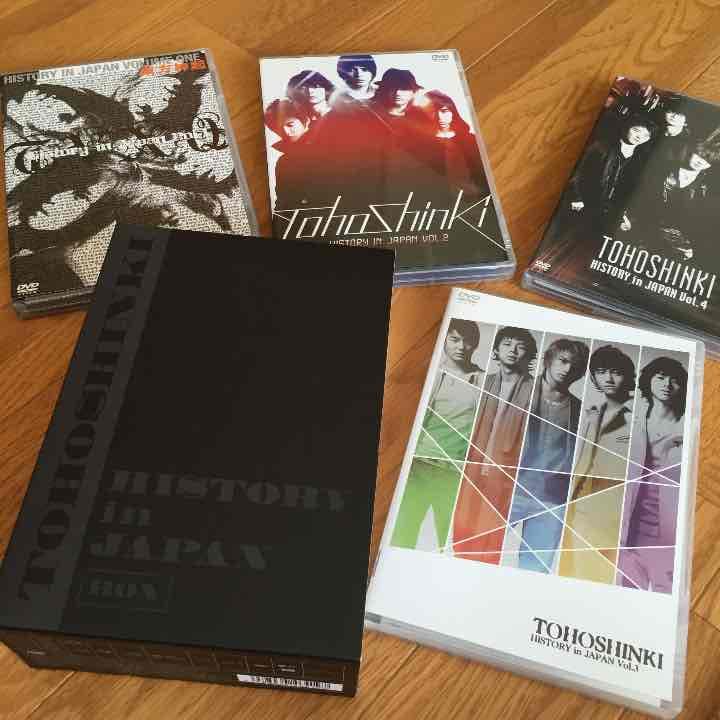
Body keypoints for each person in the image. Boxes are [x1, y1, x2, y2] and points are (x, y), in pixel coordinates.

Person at [391, 320, 486, 551]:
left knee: (448, 543)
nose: (461, 346)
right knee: (403, 536)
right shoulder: (429, 372)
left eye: (468, 341)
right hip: (418, 466)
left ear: (475, 345)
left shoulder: (484, 379)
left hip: (454, 472)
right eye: (455, 339)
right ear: (445, 339)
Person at [452, 327, 537, 562]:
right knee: (462, 533)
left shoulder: (534, 390)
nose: (513, 350)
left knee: (489, 541)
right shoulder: (485, 381)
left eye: (520, 347)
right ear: (496, 350)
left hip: (506, 477)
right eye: (507, 344)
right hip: (473, 469)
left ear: (529, 355)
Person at [507, 338, 590, 573]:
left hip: (551, 500)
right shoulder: (518, 388)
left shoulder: (579, 408)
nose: (567, 369)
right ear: (548, 360)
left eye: (575, 366)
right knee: (476, 553)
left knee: (534, 571)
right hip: (510, 490)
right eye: (563, 361)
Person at [559, 345, 637, 584]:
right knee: (571, 574)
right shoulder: (592, 413)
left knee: (598, 578)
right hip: (578, 505)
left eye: (616, 372)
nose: (609, 379)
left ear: (627, 376)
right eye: (601, 372)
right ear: (593, 377)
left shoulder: (638, 416)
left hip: (611, 512)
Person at [618, 356, 687, 593]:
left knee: (663, 590)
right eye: (661, 377)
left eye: (675, 380)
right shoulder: (631, 419)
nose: (667, 384)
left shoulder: (686, 427)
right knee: (625, 590)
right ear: (648, 380)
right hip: (630, 526)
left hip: (666, 529)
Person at [420, 90, 487, 198]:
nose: (439, 117)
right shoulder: (423, 146)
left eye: (444, 111)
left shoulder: (472, 140)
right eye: (432, 111)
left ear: (452, 111)